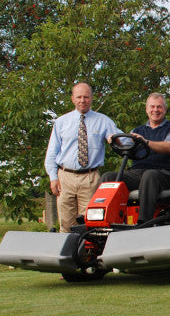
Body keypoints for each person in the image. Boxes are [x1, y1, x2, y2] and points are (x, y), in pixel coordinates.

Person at [45, 82, 121, 232]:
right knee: (66, 224)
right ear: (73, 99)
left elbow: (121, 139)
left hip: (90, 178)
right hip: (65, 178)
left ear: (92, 98)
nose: (82, 100)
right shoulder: (61, 122)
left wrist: (119, 139)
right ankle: (67, 254)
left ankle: (87, 254)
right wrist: (53, 177)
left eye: (86, 97)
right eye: (79, 97)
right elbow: (52, 153)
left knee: (90, 222)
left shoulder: (103, 121)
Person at [100, 93, 170, 224]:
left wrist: (146, 142)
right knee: (108, 176)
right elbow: (127, 148)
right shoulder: (137, 130)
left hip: (164, 174)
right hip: (138, 173)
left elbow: (169, 147)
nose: (155, 110)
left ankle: (144, 221)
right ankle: (103, 218)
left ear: (165, 109)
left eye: (159, 107)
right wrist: (115, 142)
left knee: (149, 175)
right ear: (146, 109)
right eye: (152, 107)